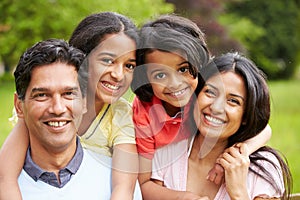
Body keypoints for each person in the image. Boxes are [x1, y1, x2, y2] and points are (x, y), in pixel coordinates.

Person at [0, 12, 141, 200]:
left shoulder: (120, 116)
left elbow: (123, 187)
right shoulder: (36, 110)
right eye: (108, 60)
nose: (118, 74)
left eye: (129, 66)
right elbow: (5, 176)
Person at [130, 15, 273, 200]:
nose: (175, 84)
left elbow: (264, 129)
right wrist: (185, 198)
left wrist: (238, 153)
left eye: (183, 69)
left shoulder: (199, 92)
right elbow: (146, 184)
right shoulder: (145, 116)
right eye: (160, 75)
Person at [150, 52, 292, 199]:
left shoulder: (261, 169)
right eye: (210, 92)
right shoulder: (167, 150)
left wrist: (238, 192)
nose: (216, 108)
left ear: (245, 116)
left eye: (233, 101)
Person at [13, 38, 112, 199]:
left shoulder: (115, 180)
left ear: (85, 102)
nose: (58, 108)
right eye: (42, 95)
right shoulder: (7, 185)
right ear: (19, 106)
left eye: (68, 94)